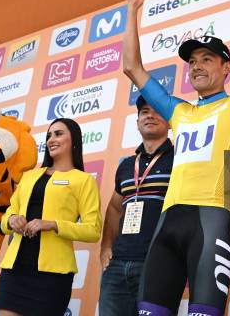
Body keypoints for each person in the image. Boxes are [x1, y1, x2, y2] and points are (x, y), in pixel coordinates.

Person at [122, 0, 230, 316]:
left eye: (207, 59)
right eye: (192, 61)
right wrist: (131, 11)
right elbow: (132, 68)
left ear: (227, 68)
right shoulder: (179, 111)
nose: (197, 65)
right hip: (167, 225)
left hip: (210, 222)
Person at [0, 118, 102, 316]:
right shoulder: (29, 177)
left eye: (59, 134)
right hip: (15, 271)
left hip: (52, 277)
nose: (52, 139)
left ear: (74, 141)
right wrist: (11, 220)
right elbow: (4, 220)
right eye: (49, 135)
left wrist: (53, 224)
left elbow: (93, 230)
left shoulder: (84, 180)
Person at [98, 95, 173, 316]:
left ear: (170, 121)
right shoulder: (127, 165)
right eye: (144, 111)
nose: (150, 115)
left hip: (157, 262)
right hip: (117, 265)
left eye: (157, 110)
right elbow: (114, 207)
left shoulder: (180, 159)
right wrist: (106, 246)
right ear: (137, 121)